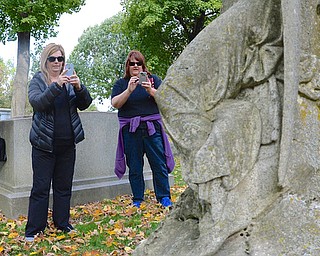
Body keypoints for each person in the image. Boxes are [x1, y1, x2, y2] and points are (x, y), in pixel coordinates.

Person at [25, 43, 92, 242]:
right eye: (52, 59)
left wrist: (79, 87)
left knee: (64, 187)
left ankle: (62, 223)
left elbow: (85, 103)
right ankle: (34, 229)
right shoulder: (38, 80)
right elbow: (38, 102)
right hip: (44, 144)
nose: (57, 62)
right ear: (45, 61)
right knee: (41, 188)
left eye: (60, 59)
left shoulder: (70, 81)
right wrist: (56, 85)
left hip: (67, 144)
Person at [111, 50, 175, 208]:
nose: (135, 66)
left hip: (152, 128)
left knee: (158, 164)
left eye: (138, 63)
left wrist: (150, 90)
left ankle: (164, 197)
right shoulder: (121, 84)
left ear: (143, 65)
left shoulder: (153, 80)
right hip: (131, 131)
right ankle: (138, 198)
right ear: (127, 66)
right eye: (132, 63)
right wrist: (129, 90)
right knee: (134, 166)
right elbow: (115, 103)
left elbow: (166, 99)